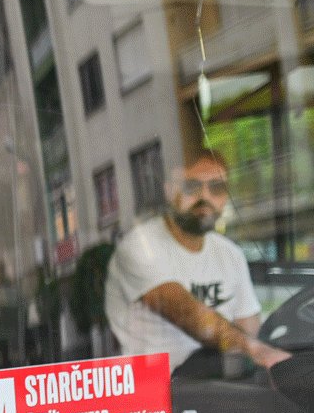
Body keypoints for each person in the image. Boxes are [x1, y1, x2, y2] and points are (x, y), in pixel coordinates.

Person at [105, 150, 289, 374]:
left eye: (217, 188)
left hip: (222, 383)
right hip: (156, 388)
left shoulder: (230, 253)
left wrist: (255, 355)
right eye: (191, 186)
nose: (205, 196)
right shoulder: (139, 247)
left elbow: (248, 328)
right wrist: (258, 351)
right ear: (169, 191)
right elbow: (188, 314)